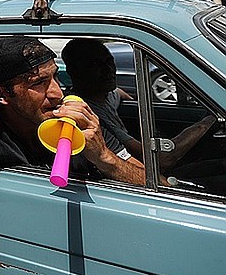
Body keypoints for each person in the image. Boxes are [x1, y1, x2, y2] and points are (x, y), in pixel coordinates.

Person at [0, 36, 145, 193]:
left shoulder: (78, 122)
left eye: (55, 77)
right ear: (1, 93)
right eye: (39, 83)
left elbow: (156, 185)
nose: (57, 93)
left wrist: (105, 157)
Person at [62, 38, 218, 175]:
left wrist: (134, 102)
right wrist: (208, 121)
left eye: (109, 61)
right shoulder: (88, 116)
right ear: (74, 71)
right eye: (96, 65)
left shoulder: (106, 95)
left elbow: (119, 93)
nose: (108, 69)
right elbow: (162, 159)